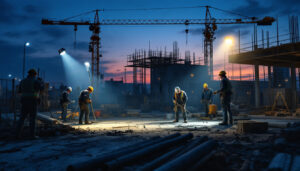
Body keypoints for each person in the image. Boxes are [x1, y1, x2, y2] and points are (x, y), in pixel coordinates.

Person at [16, 69, 44, 139]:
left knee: (22, 118)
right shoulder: (35, 81)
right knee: (32, 119)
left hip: (24, 101)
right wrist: (41, 82)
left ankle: (17, 135)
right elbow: (41, 89)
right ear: (35, 74)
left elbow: (19, 91)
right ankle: (32, 135)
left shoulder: (23, 81)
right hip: (32, 101)